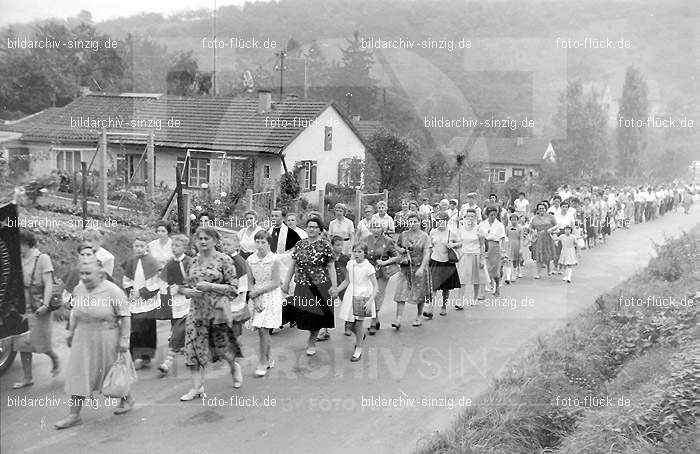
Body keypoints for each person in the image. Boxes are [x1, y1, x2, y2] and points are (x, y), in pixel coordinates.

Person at [55, 256, 133, 429]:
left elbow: (125, 315)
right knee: (78, 373)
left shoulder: (113, 291)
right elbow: (75, 311)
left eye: (88, 273)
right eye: (81, 273)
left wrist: (125, 340)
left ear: (101, 273)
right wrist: (70, 331)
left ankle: (127, 399)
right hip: (83, 337)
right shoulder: (79, 289)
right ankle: (74, 415)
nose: (84, 277)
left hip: (107, 337)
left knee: (111, 372)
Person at [180, 226, 242, 401]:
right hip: (196, 311)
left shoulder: (224, 260)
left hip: (218, 310)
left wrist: (212, 286)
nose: (202, 241)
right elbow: (184, 286)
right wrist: (188, 292)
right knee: (192, 348)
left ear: (215, 241)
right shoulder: (192, 262)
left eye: (206, 238)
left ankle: (233, 366)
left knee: (222, 348)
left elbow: (233, 289)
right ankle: (196, 387)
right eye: (199, 238)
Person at [281, 216, 338, 357]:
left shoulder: (325, 245)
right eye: (309, 226)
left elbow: (331, 267)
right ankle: (311, 335)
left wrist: (335, 286)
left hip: (320, 286)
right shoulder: (300, 244)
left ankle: (311, 342)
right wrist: (286, 283)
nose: (311, 229)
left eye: (314, 227)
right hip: (302, 285)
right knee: (304, 315)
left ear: (320, 230)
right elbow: (292, 265)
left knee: (316, 316)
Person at [12, 230, 60, 389]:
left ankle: (53, 357)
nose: (18, 248)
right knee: (21, 342)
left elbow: (48, 283)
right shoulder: (18, 258)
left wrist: (46, 305)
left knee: (41, 343)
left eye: (19, 245)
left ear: (27, 243)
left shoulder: (42, 258)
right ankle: (27, 377)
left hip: (38, 302)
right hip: (22, 305)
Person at [122, 237, 162, 370]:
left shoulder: (152, 262)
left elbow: (156, 283)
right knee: (135, 329)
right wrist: (131, 290)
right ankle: (134, 357)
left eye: (141, 246)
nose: (138, 248)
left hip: (148, 301)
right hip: (135, 300)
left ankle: (146, 356)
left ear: (146, 247)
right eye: (136, 246)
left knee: (147, 328)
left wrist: (142, 292)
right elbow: (126, 279)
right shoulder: (131, 261)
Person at [247, 230, 282, 377]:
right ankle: (268, 358)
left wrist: (258, 292)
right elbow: (250, 282)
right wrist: (254, 296)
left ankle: (262, 362)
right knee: (261, 329)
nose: (260, 245)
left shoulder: (274, 259)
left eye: (263, 242)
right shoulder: (250, 260)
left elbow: (275, 282)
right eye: (258, 242)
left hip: (271, 294)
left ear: (269, 244)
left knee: (264, 329)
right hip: (257, 295)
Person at [156, 234, 192, 376]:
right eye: (172, 245)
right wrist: (167, 290)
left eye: (177, 246)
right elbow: (163, 281)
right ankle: (190, 352)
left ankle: (167, 362)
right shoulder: (170, 264)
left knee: (178, 331)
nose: (174, 248)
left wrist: (182, 288)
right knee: (176, 328)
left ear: (185, 247)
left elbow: (195, 281)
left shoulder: (190, 262)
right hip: (174, 302)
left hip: (187, 302)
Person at [336, 244, 377, 362]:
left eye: (360, 251)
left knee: (359, 325)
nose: (357, 254)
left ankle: (358, 349)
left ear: (365, 253)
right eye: (355, 251)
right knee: (349, 325)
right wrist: (337, 290)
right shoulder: (350, 264)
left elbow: (375, 287)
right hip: (351, 294)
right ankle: (361, 336)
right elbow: (347, 281)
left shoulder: (368, 267)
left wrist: (370, 301)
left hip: (363, 295)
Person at [393, 212, 432, 328]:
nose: (413, 224)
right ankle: (398, 320)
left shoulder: (425, 236)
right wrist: (401, 251)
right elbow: (396, 246)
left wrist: (422, 268)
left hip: (419, 267)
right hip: (405, 268)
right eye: (411, 221)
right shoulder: (403, 234)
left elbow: (427, 253)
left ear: (420, 222)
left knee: (419, 293)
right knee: (401, 293)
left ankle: (419, 316)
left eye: (415, 221)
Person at [361, 221, 400, 334]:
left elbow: (396, 256)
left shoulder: (387, 241)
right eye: (373, 227)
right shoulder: (366, 239)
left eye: (378, 227)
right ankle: (376, 319)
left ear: (382, 228)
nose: (376, 229)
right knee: (368, 295)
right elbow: (360, 252)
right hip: (368, 271)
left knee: (377, 295)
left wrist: (385, 262)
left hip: (381, 272)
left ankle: (373, 321)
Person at [425, 211, 461, 317]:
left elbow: (460, 243)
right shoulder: (433, 232)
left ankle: (444, 307)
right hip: (435, 261)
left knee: (446, 287)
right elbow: (429, 245)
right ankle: (430, 309)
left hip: (447, 262)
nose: (440, 223)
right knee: (433, 287)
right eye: (438, 221)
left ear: (446, 221)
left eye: (442, 221)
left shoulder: (451, 232)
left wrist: (453, 244)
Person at [455, 209, 488, 305]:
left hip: (476, 255)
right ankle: (460, 301)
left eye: (472, 216)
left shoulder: (479, 229)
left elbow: (482, 245)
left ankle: (475, 298)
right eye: (468, 216)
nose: (470, 218)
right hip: (465, 255)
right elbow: (460, 242)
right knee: (462, 279)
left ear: (476, 218)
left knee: (476, 279)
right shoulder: (461, 229)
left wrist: (482, 259)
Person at [324, 236, 350, 338]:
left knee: (347, 304)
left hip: (343, 283)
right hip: (332, 283)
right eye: (337, 245)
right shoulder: (329, 258)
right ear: (332, 245)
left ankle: (348, 325)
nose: (340, 247)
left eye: (341, 245)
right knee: (327, 306)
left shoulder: (345, 258)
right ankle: (325, 329)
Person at [479, 206, 506, 296]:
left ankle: (496, 285)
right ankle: (482, 291)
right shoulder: (482, 224)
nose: (493, 217)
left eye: (495, 215)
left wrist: (503, 251)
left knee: (494, 269)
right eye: (491, 215)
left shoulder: (499, 225)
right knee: (483, 268)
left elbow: (502, 238)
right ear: (487, 215)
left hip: (495, 246)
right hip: (484, 246)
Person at [530, 203, 557, 279]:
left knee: (547, 254)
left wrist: (551, 229)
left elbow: (556, 225)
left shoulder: (551, 217)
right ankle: (538, 273)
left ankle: (549, 268)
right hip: (539, 238)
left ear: (546, 209)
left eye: (543, 208)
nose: (541, 210)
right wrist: (533, 231)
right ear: (537, 210)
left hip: (548, 237)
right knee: (538, 255)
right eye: (540, 208)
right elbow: (531, 227)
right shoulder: (534, 218)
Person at [504, 213, 522, 283]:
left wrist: (521, 248)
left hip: (517, 244)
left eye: (515, 220)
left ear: (518, 220)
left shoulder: (520, 228)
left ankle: (517, 271)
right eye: (512, 220)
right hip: (509, 244)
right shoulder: (507, 227)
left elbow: (521, 238)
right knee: (509, 259)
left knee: (516, 259)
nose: (514, 221)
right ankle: (511, 275)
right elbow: (506, 236)